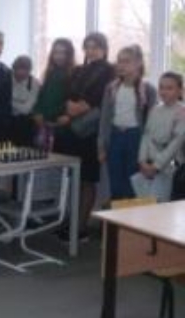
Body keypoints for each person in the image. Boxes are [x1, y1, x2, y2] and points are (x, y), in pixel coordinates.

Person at [55, 32, 114, 241]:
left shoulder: (110, 70)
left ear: (104, 49)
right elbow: (67, 93)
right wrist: (69, 106)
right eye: (87, 47)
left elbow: (99, 99)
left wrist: (77, 109)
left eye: (96, 47)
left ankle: (81, 226)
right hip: (72, 130)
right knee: (74, 178)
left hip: (91, 132)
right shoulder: (79, 70)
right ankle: (70, 221)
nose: (91, 51)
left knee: (88, 179)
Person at [98, 45, 157, 200]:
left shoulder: (148, 90)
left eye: (126, 61)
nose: (121, 65)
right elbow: (104, 119)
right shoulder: (111, 88)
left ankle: (131, 214)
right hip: (115, 136)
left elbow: (152, 124)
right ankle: (117, 212)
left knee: (133, 181)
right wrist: (101, 146)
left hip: (136, 137)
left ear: (138, 63)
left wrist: (149, 151)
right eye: (119, 61)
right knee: (115, 182)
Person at [137, 72, 185, 194]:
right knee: (148, 200)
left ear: (180, 91)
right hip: (149, 164)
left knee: (166, 201)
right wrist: (142, 160)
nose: (164, 91)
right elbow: (146, 136)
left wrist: (157, 166)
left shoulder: (182, 112)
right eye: (161, 87)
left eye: (169, 88)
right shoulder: (155, 109)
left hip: (171, 167)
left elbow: (176, 143)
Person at [32, 38, 77, 150]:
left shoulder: (75, 73)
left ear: (69, 54)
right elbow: (42, 96)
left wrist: (68, 116)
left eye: (63, 53)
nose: (59, 56)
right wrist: (37, 111)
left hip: (62, 126)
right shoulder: (49, 72)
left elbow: (75, 99)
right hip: (44, 124)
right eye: (56, 52)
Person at [10, 55, 41, 146]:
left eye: (25, 70)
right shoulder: (6, 79)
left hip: (25, 123)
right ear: (14, 69)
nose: (21, 73)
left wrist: (10, 101)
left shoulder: (34, 83)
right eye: (18, 70)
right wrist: (19, 103)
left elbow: (26, 109)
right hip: (7, 121)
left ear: (29, 71)